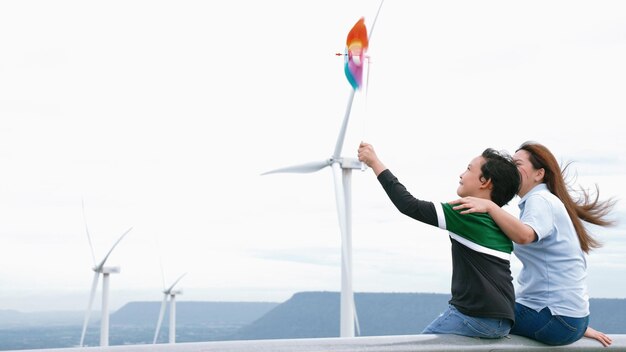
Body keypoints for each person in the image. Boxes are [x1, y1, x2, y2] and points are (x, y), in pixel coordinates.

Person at [450, 141, 616, 347]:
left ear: (539, 174)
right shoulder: (541, 202)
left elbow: (525, 236)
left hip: (554, 317)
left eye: (517, 164)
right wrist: (576, 326)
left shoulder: (541, 200)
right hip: (566, 317)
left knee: (479, 315)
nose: (511, 168)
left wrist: (490, 206)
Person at [357, 141, 520, 339]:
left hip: (476, 317)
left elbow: (408, 205)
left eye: (468, 169)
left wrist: (374, 162)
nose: (461, 175)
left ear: (485, 181)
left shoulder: (466, 213)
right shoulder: (499, 221)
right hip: (503, 321)